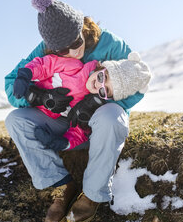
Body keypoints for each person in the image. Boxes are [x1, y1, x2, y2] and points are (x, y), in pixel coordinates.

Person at [4, 0, 145, 222]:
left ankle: (92, 194)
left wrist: (96, 103)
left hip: (98, 124)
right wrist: (40, 98)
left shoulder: (110, 44)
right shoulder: (46, 47)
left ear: (82, 27)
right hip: (61, 122)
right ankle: (62, 184)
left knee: (111, 118)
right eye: (62, 50)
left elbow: (138, 83)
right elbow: (12, 84)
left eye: (76, 43)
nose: (72, 52)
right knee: (16, 120)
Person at [12, 52, 151, 151]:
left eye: (105, 90)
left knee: (35, 138)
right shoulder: (74, 66)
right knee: (15, 121)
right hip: (30, 96)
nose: (98, 85)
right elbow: (46, 64)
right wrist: (26, 75)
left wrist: (62, 143)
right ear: (102, 68)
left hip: (48, 119)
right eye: (102, 77)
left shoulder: (91, 104)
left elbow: (79, 131)